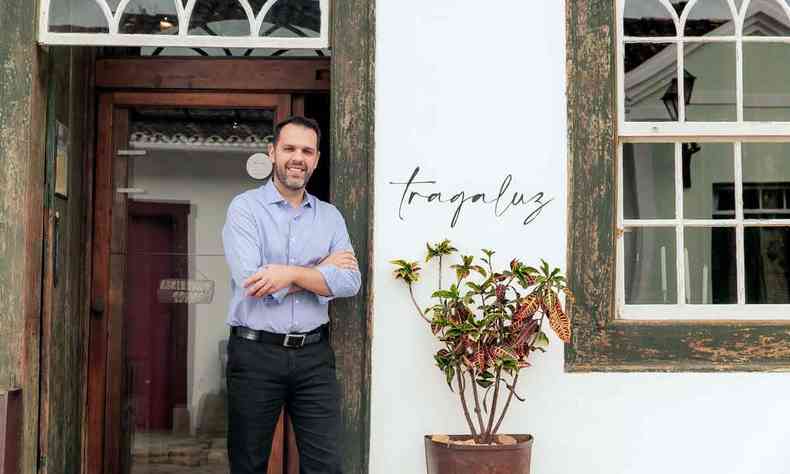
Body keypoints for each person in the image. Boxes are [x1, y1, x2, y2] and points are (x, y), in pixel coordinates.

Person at [222, 116, 361, 474]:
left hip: (313, 357)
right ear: (272, 153)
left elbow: (350, 281)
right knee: (248, 463)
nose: (297, 157)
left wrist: (288, 274)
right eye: (289, 148)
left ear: (316, 159)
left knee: (325, 465)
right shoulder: (245, 209)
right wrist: (319, 271)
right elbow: (252, 282)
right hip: (255, 355)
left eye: (306, 151)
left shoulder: (330, 217)